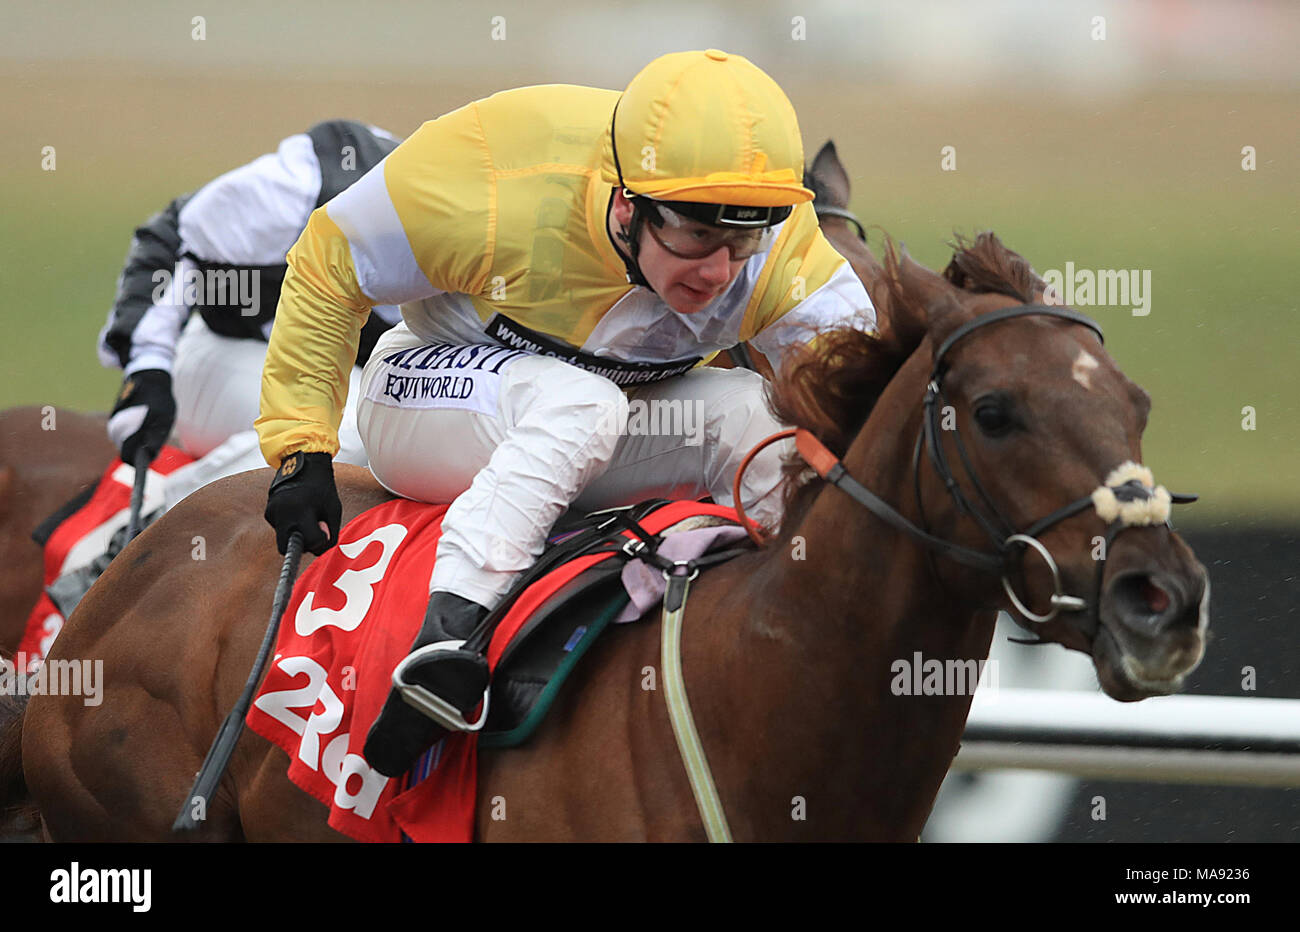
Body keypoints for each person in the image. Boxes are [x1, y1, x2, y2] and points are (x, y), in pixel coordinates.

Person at [256, 50, 876, 777]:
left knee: (756, 416)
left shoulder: (780, 250)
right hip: (428, 395)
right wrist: (302, 449)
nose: (718, 271)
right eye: (697, 236)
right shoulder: (492, 177)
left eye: (743, 239)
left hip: (604, 420)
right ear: (625, 205)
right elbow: (331, 257)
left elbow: (861, 399)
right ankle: (444, 642)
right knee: (583, 403)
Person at [98, 120, 403, 487]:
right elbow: (174, 237)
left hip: (321, 369)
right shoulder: (302, 186)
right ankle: (170, 516)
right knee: (358, 426)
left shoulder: (475, 226)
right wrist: (148, 366)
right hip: (220, 347)